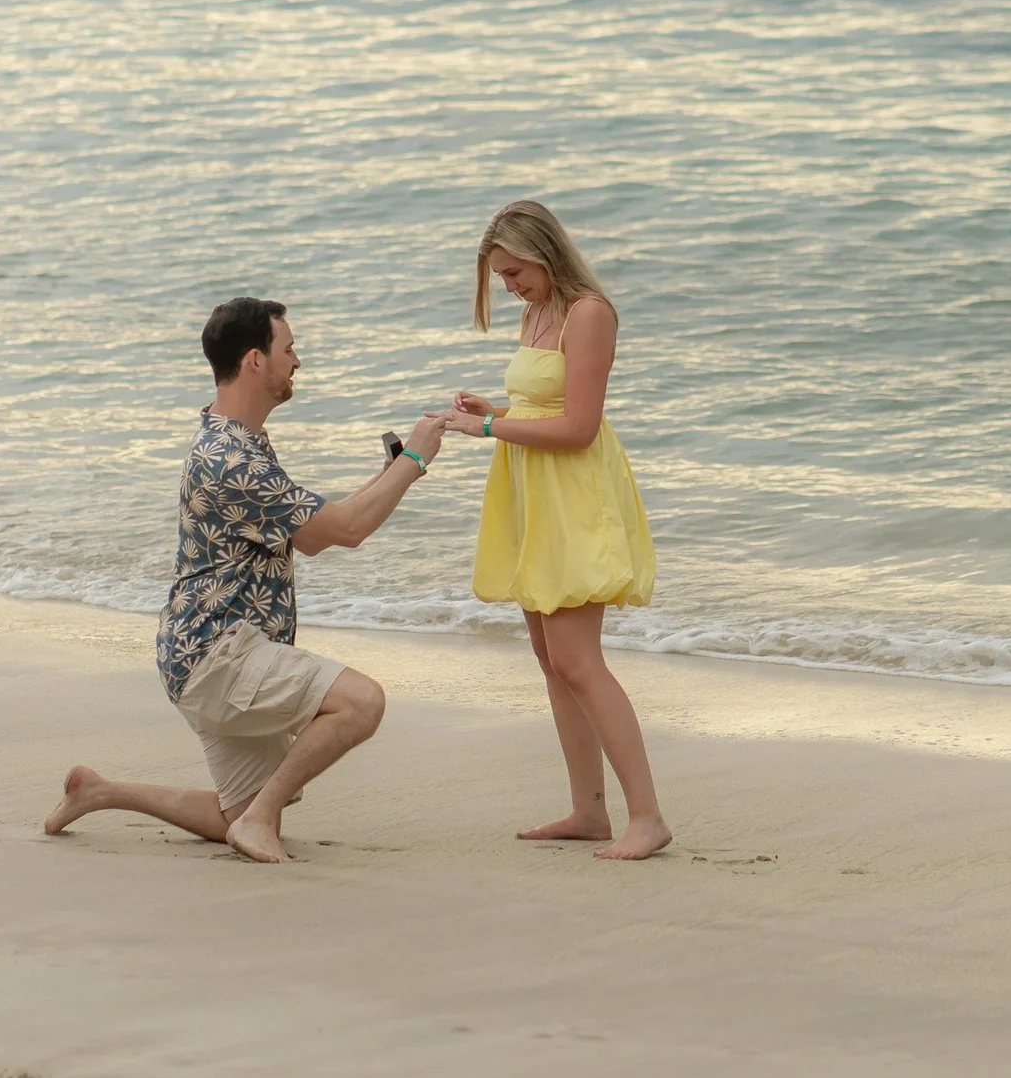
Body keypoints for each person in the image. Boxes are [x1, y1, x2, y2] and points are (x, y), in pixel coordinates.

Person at [46, 296, 446, 864]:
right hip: (221, 657)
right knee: (363, 704)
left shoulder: (235, 439)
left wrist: (388, 475)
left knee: (233, 816)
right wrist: (418, 461)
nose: (298, 361)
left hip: (199, 656)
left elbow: (312, 536)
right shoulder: (232, 459)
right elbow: (349, 530)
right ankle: (257, 818)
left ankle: (101, 791)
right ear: (256, 360)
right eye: (289, 349)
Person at [431, 201, 671, 860]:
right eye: (502, 278)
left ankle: (646, 816)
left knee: (577, 659)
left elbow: (579, 427)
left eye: (514, 273)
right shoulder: (536, 312)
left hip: (573, 492)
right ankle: (588, 812)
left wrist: (485, 428)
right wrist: (498, 409)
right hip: (534, 488)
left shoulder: (588, 312)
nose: (511, 287)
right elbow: (545, 403)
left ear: (542, 254)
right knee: (550, 659)